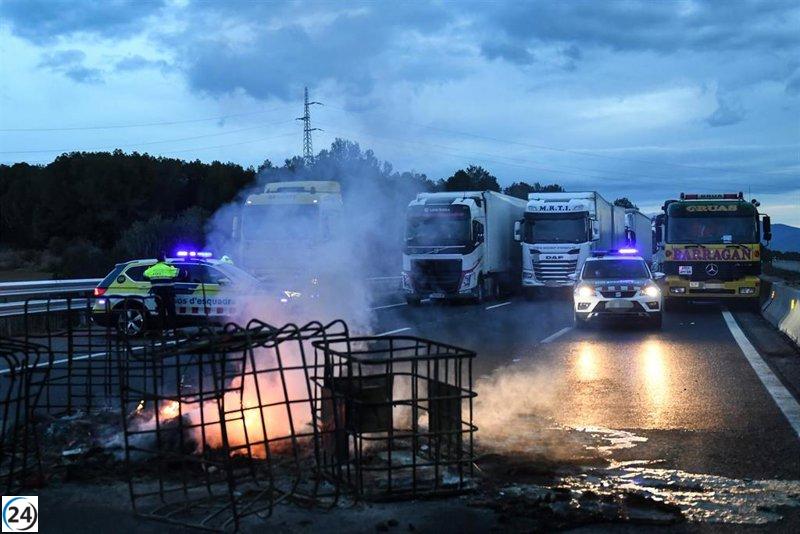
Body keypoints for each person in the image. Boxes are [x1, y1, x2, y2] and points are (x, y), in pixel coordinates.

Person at [144, 252, 179, 329]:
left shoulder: (151, 269)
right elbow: (182, 274)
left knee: (161, 313)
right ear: (164, 257)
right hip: (169, 294)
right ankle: (171, 332)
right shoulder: (169, 268)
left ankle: (162, 331)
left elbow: (144, 275)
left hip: (158, 294)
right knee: (171, 312)